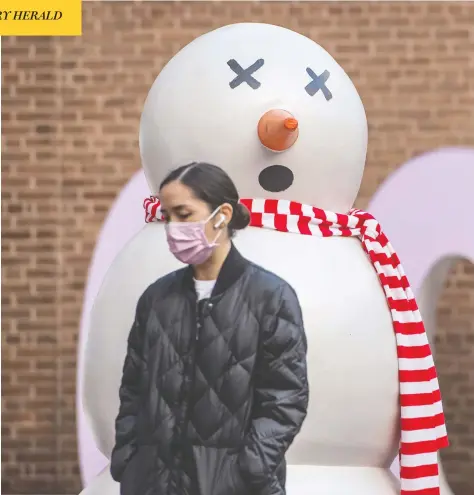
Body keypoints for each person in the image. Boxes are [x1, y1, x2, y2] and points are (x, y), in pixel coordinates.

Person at [110, 162, 309, 495]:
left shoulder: (271, 298)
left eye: (184, 214)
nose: (173, 227)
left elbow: (285, 398)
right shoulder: (157, 299)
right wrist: (129, 461)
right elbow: (133, 389)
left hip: (237, 485)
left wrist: (249, 469)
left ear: (222, 215)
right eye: (167, 216)